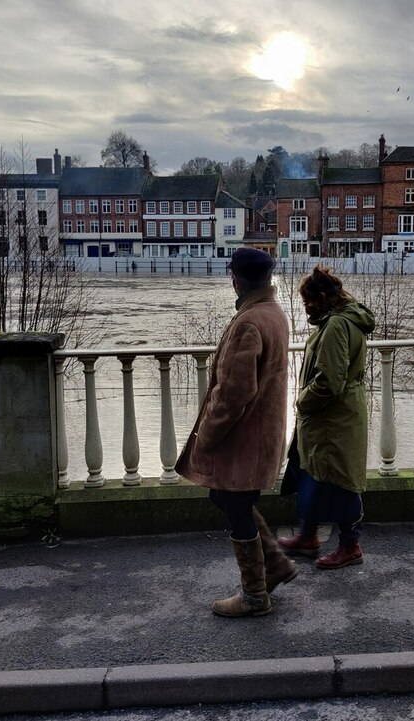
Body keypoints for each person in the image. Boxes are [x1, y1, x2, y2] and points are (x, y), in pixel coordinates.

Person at [175, 248, 297, 618]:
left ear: (235, 278)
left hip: (243, 438)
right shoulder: (273, 313)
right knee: (228, 500)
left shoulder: (248, 323)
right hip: (262, 432)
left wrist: (207, 436)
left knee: (234, 506)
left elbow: (233, 393)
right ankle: (274, 563)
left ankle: (255, 595)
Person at [280, 265, 376, 569]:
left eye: (308, 302)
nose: (306, 308)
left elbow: (329, 382)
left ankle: (350, 546)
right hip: (337, 415)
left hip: (333, 417)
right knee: (312, 473)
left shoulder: (335, 326)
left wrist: (302, 402)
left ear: (322, 297)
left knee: (339, 480)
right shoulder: (344, 320)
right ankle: (308, 535)